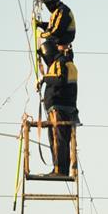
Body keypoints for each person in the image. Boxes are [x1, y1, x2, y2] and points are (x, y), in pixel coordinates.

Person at [39, 44, 79, 177]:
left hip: (59, 108)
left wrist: (45, 78)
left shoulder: (61, 62)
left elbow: (60, 80)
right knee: (61, 140)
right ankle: (61, 169)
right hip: (65, 107)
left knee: (58, 139)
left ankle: (59, 170)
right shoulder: (68, 62)